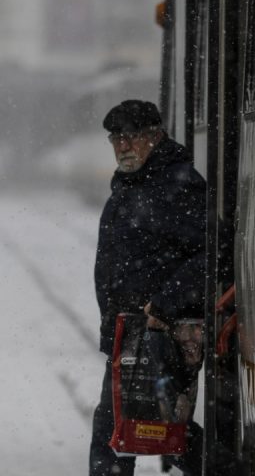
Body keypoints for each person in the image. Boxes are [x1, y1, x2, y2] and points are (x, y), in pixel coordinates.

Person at [89, 99, 206, 476]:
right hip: (130, 328)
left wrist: (164, 304)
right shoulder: (128, 185)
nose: (122, 146)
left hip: (162, 330)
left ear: (155, 137)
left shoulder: (180, 185)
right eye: (115, 138)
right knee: (143, 425)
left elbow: (211, 254)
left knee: (138, 426)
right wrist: (111, 324)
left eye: (131, 137)